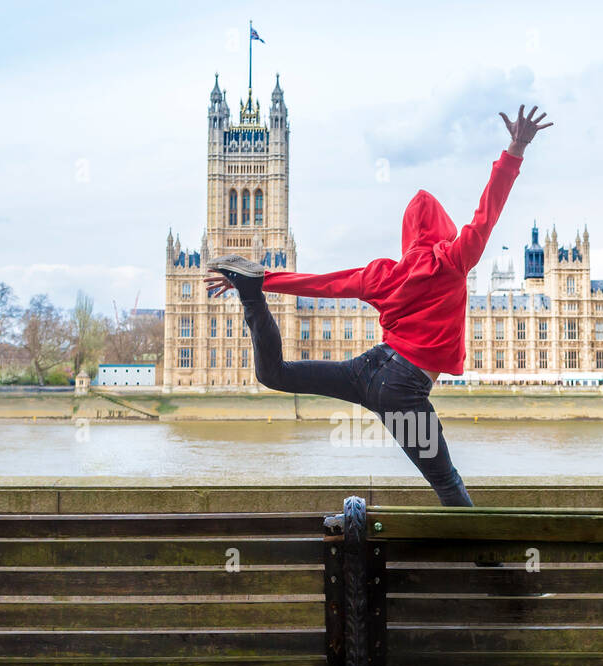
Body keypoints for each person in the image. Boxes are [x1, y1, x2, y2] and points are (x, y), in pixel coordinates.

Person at [206, 105, 552, 505]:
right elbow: (487, 213)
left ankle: (252, 298)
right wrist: (515, 148)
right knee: (448, 483)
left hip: (367, 369)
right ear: (444, 227)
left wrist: (262, 280)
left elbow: (324, 284)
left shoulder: (383, 273)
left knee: (276, 374)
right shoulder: (455, 259)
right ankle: (484, 565)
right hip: (402, 391)